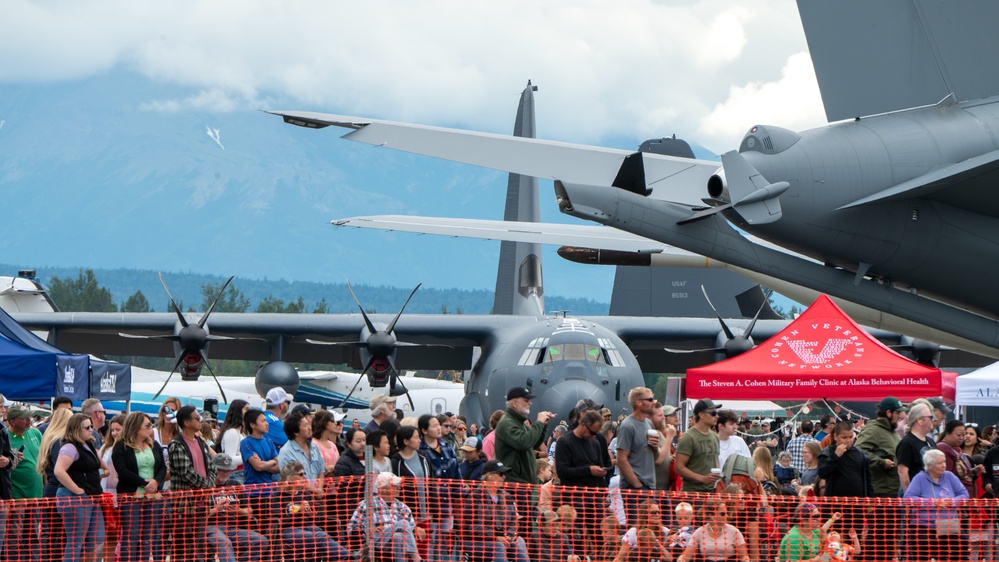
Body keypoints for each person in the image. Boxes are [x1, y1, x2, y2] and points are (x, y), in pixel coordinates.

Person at [113, 411, 166, 562]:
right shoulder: (121, 446)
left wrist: (156, 481)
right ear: (136, 426)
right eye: (147, 425)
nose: (151, 428)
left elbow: (162, 466)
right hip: (130, 495)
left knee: (148, 536)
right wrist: (144, 483)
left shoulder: (154, 444)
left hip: (152, 495)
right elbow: (122, 471)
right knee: (131, 535)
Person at [53, 413, 107, 562]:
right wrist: (78, 490)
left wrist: (99, 475)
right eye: (87, 427)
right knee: (75, 542)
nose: (91, 429)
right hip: (74, 497)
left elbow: (99, 466)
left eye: (91, 426)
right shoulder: (70, 446)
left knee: (97, 536)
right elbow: (59, 470)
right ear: (77, 429)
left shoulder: (87, 444)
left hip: (91, 496)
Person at [167, 405, 218, 562]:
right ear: (187, 422)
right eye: (197, 418)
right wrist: (207, 485)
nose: (200, 421)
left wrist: (208, 484)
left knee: (199, 546)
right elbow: (186, 473)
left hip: (202, 504)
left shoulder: (201, 443)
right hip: (185, 505)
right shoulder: (176, 444)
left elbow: (212, 466)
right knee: (183, 548)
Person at [274, 461, 351, 560]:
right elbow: (277, 520)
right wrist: (297, 510)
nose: (305, 477)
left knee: (324, 535)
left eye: (305, 473)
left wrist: (311, 514)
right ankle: (349, 557)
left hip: (308, 526)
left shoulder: (306, 494)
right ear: (289, 477)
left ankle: (346, 557)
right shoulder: (277, 495)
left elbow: (317, 519)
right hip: (289, 530)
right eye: (301, 474)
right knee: (321, 536)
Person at [903, 449, 969, 562]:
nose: (944, 465)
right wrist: (933, 502)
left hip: (948, 523)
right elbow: (908, 499)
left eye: (944, 462)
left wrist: (951, 501)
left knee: (962, 545)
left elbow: (964, 494)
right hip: (924, 525)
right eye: (940, 463)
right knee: (922, 555)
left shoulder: (950, 476)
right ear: (930, 466)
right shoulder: (920, 478)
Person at [205, 452, 269, 562]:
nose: (226, 473)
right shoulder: (205, 486)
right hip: (211, 527)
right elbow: (199, 515)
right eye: (222, 470)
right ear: (214, 469)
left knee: (261, 541)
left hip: (232, 527)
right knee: (224, 542)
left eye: (228, 470)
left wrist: (238, 511)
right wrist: (216, 509)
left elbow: (249, 510)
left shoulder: (235, 484)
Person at [346, 471, 423, 562]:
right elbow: (351, 528)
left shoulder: (403, 507)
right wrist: (368, 531)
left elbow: (411, 528)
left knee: (399, 536)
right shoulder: (367, 504)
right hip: (374, 540)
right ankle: (416, 558)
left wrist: (416, 529)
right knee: (403, 523)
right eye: (395, 486)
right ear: (383, 489)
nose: (399, 488)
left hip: (395, 542)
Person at [463, 460, 530, 562]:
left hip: (502, 540)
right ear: (489, 476)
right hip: (476, 542)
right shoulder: (475, 497)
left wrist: (509, 535)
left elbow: (513, 521)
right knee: (499, 547)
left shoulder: (507, 496)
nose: (504, 477)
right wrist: (495, 537)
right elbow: (472, 527)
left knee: (518, 552)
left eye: (504, 474)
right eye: (500, 474)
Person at [817, 420, 873, 534]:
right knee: (834, 539)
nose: (848, 440)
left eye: (850, 437)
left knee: (854, 538)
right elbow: (822, 473)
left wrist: (870, 500)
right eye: (844, 437)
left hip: (857, 507)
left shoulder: (860, 454)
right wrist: (835, 456)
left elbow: (868, 479)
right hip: (834, 506)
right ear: (836, 436)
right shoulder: (828, 452)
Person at [615, 387, 661, 525]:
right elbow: (621, 460)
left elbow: (657, 458)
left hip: (649, 486)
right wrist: (638, 486)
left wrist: (655, 447)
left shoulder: (648, 423)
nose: (654, 402)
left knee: (649, 529)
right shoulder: (627, 426)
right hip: (634, 489)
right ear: (639, 403)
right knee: (637, 529)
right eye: (650, 399)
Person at [6, 403, 44, 560]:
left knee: (33, 534)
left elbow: (41, 459)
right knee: (14, 535)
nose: (29, 420)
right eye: (24, 418)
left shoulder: (35, 433)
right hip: (16, 495)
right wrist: (10, 459)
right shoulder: (5, 437)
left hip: (35, 494)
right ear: (13, 421)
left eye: (29, 416)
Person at [494, 386, 554, 485]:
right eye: (526, 400)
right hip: (514, 484)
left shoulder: (519, 423)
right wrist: (539, 422)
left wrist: (544, 425)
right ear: (514, 403)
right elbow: (524, 442)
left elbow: (533, 444)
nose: (530, 403)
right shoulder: (507, 423)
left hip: (523, 484)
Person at [390, 424, 434, 556]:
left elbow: (431, 481)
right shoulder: (396, 462)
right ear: (406, 441)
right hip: (407, 514)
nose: (420, 440)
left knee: (424, 551)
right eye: (416, 438)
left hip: (425, 512)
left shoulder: (424, 457)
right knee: (408, 550)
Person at [676, 496, 750, 562]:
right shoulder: (699, 532)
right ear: (712, 515)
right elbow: (686, 556)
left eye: (726, 513)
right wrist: (681, 559)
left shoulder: (734, 531)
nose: (727, 516)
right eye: (723, 514)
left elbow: (743, 556)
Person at [675, 398, 722, 493]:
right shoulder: (688, 437)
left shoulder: (715, 436)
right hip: (692, 493)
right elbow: (679, 468)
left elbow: (715, 460)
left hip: (711, 492)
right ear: (701, 415)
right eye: (713, 413)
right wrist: (703, 479)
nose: (716, 416)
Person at [776, 502, 843, 562]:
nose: (819, 519)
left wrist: (833, 519)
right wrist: (815, 560)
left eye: (819, 516)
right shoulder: (794, 539)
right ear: (804, 520)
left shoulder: (813, 531)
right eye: (815, 517)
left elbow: (823, 530)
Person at [277, 408, 325, 488]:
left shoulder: (314, 446)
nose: (310, 428)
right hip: (299, 497)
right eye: (306, 425)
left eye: (309, 424)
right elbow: (292, 480)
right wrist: (315, 491)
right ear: (296, 432)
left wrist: (320, 489)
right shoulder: (286, 452)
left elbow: (321, 471)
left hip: (318, 497)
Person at [897, 402, 937, 492]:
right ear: (919, 420)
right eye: (930, 417)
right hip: (916, 496)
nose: (933, 420)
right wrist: (910, 497)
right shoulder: (907, 443)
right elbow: (902, 472)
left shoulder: (931, 442)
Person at [936, 419, 980, 498]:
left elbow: (961, 472)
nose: (962, 438)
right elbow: (946, 476)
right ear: (948, 433)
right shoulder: (942, 448)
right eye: (959, 435)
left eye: (963, 435)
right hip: (955, 497)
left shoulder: (958, 448)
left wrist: (973, 471)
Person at [240, 408, 280, 493]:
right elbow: (258, 467)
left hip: (269, 491)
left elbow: (279, 467)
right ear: (252, 424)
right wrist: (273, 461)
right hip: (253, 492)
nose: (267, 424)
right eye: (263, 421)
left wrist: (263, 464)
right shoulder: (246, 443)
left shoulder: (269, 442)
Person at [218, 399, 250, 484]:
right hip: (236, 474)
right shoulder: (232, 432)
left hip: (242, 472)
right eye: (246, 409)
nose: (249, 412)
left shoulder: (241, 432)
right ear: (238, 411)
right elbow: (229, 459)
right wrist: (249, 456)